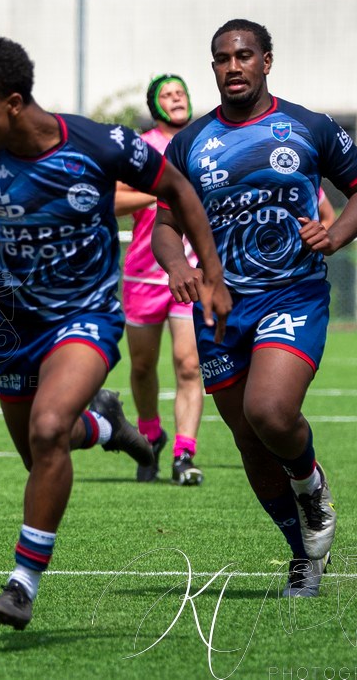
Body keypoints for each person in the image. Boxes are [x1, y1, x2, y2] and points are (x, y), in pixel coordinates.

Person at [0, 36, 229, 629]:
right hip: (11, 327)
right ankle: (107, 423)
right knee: (44, 447)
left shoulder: (100, 143)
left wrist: (209, 273)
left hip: (84, 316)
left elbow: (177, 190)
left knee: (48, 430)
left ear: (13, 102)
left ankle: (22, 583)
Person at [153, 19, 357, 597]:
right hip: (219, 307)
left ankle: (311, 485)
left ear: (266, 61)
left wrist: (336, 235)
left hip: (292, 292)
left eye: (244, 55)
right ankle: (304, 557)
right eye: (222, 58)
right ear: (213, 67)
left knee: (270, 412)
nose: (233, 67)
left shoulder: (309, 127)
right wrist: (177, 267)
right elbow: (164, 225)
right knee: (249, 442)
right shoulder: (189, 143)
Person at [114, 74, 204, 486]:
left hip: (189, 272)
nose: (176, 98)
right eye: (167, 95)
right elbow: (113, 200)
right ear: (156, 106)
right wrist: (165, 191)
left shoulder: (204, 142)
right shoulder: (141, 147)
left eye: (180, 92)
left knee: (189, 363)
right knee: (142, 366)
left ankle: (185, 454)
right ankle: (150, 436)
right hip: (143, 275)